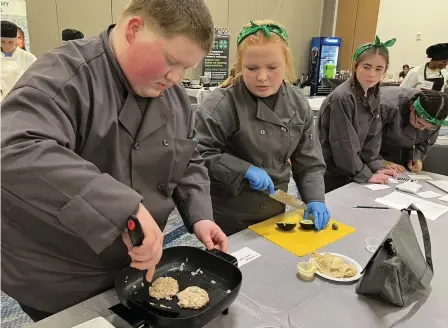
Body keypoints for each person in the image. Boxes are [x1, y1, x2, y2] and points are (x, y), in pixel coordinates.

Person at [1, 0, 227, 322]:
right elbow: (14, 149)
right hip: (61, 273)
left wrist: (200, 214)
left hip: (135, 268)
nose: (175, 78)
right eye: (170, 61)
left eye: (185, 69)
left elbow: (188, 160)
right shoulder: (67, 74)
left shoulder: (175, 99)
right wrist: (123, 208)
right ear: (134, 30)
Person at [195, 20, 330, 236]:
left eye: (272, 67)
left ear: (286, 64)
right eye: (252, 68)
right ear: (240, 65)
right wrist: (242, 169)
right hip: (229, 213)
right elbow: (197, 154)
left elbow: (309, 161)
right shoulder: (221, 104)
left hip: (276, 210)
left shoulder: (297, 102)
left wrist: (315, 198)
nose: (262, 77)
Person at [316, 36, 397, 192]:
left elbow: (373, 135)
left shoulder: (373, 92)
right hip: (330, 172)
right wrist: (365, 174)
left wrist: (375, 165)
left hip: (352, 170)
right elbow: (343, 144)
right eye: (366, 67)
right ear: (355, 66)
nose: (372, 74)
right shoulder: (343, 98)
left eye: (378, 69)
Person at [380, 87, 448, 173]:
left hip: (396, 153)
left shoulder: (437, 115)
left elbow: (425, 142)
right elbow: (365, 139)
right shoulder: (386, 106)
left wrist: (415, 158)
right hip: (372, 150)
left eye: (428, 127)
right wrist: (380, 162)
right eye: (419, 123)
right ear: (412, 107)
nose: (422, 129)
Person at [1, 21, 37, 100]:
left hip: (21, 102)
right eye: (2, 41)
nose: (6, 46)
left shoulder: (29, 58)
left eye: (10, 42)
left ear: (16, 40)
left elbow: (35, 85)